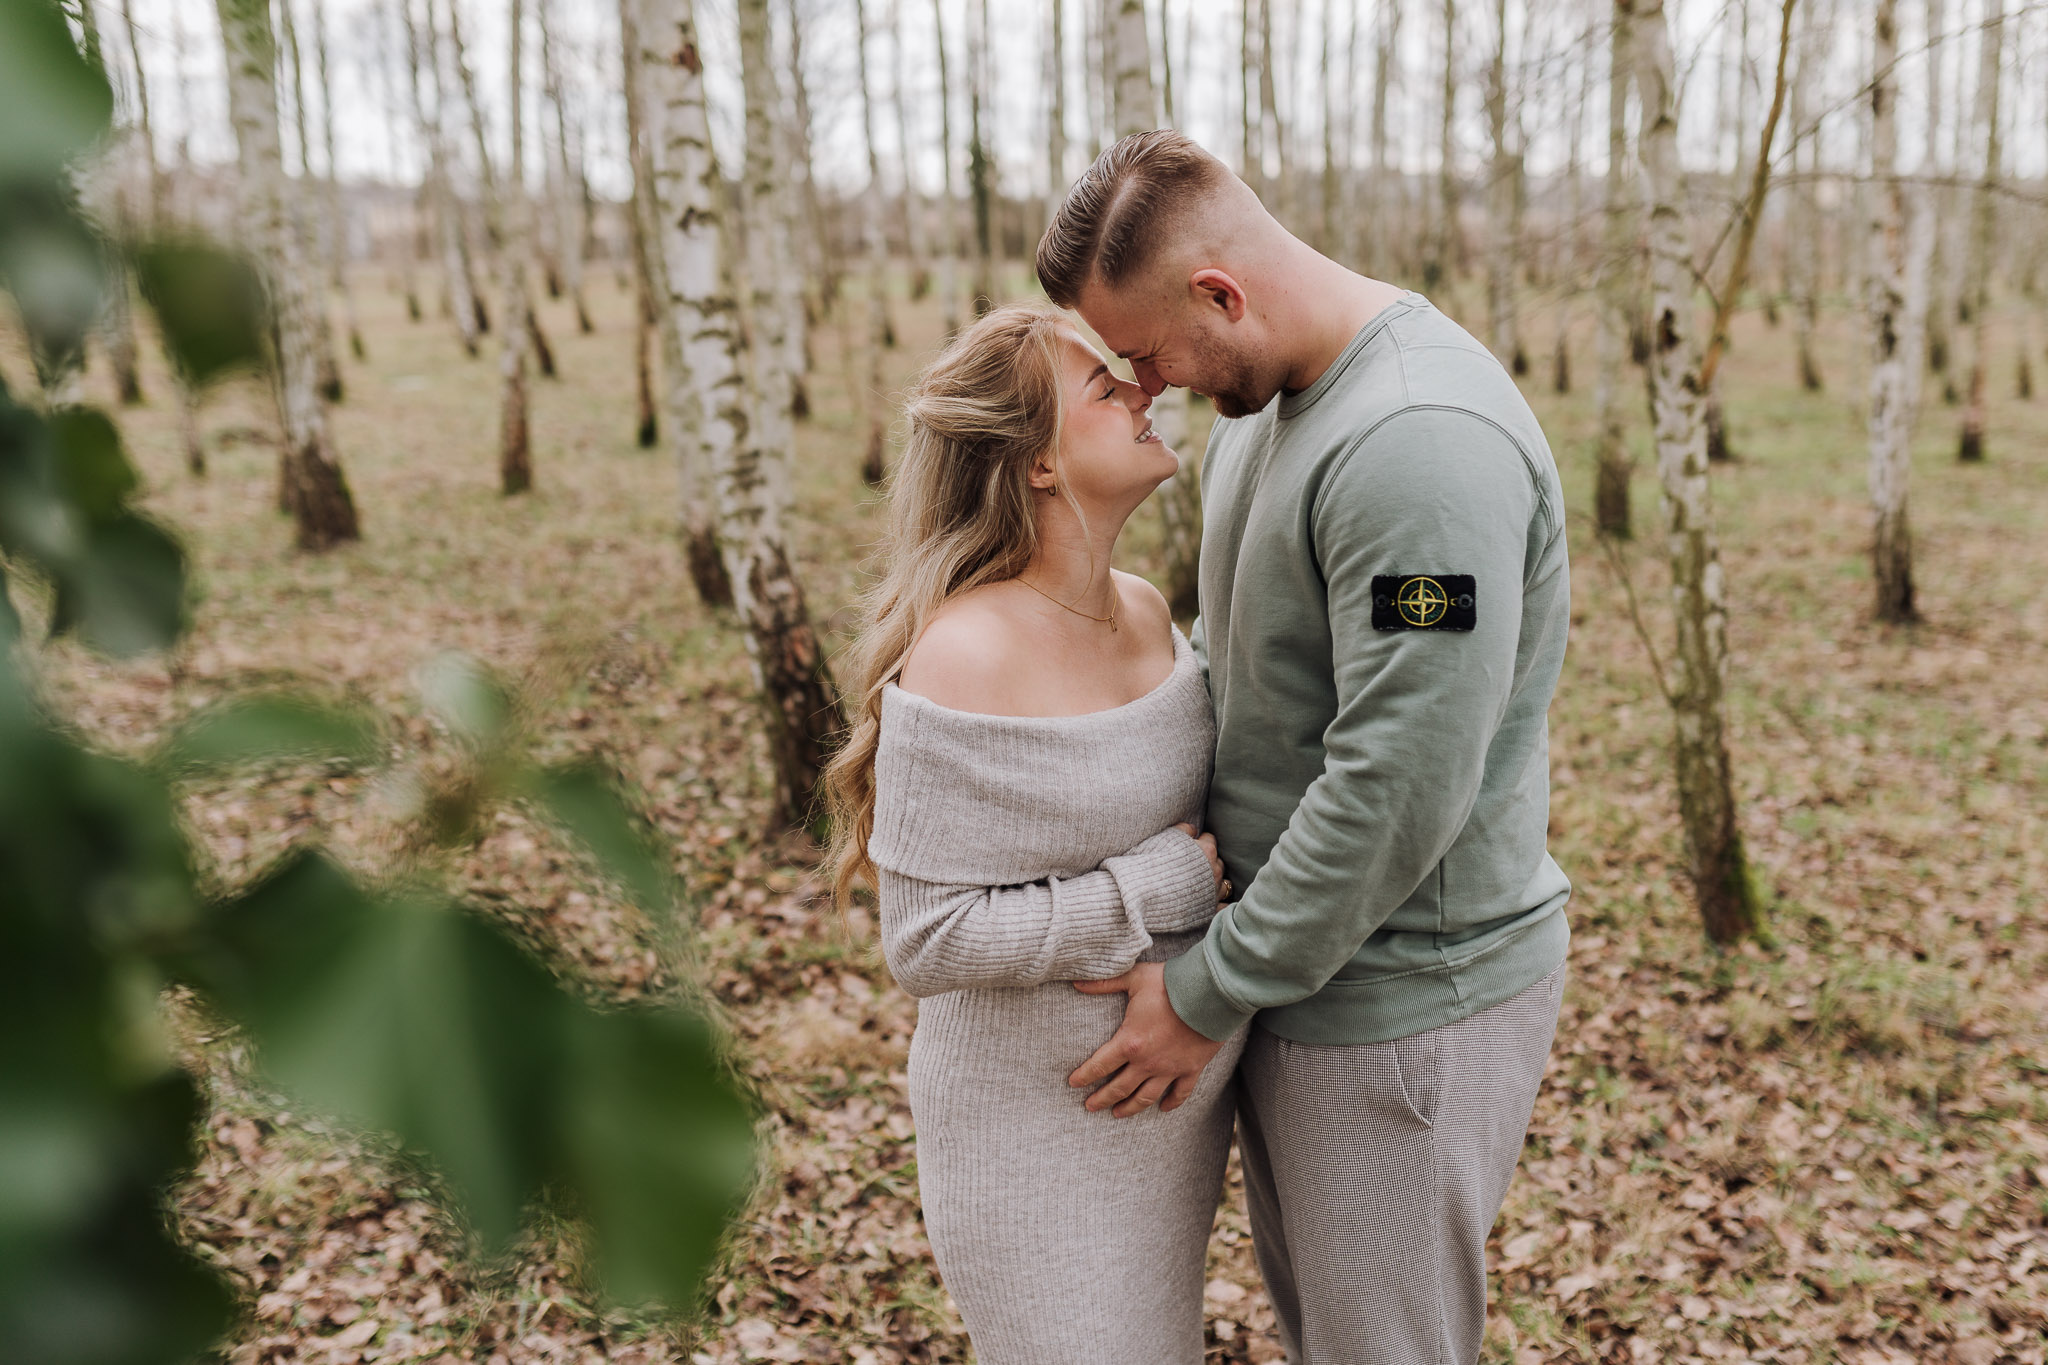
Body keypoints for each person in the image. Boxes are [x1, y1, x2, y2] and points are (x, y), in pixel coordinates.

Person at [1036, 129, 1574, 1365]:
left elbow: (1399, 779)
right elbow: (1249, 675)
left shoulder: (1416, 447)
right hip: (1300, 971)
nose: (1145, 384)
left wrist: (1207, 989)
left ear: (1219, 294)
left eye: (1146, 350)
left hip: (1398, 1005)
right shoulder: (1265, 409)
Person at [822, 303, 1250, 1365]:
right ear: (1040, 465)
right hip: (1031, 1135)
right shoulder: (967, 650)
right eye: (1103, 390)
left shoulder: (1151, 612)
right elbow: (924, 943)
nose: (1143, 390)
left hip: (1167, 1114)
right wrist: (1149, 894)